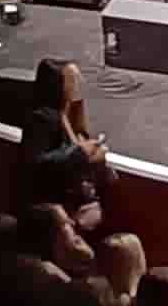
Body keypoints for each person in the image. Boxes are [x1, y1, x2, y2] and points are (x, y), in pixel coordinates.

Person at [20, 57, 112, 229]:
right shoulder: (41, 118)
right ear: (56, 85)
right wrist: (82, 153)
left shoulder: (70, 111)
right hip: (60, 205)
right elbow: (37, 163)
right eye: (71, 80)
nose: (76, 84)